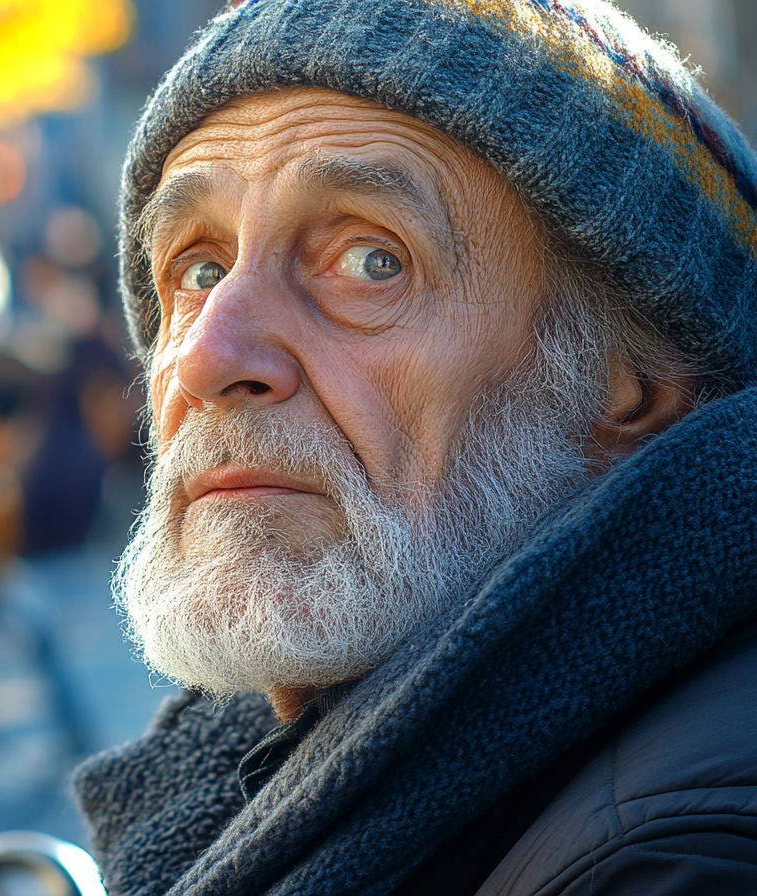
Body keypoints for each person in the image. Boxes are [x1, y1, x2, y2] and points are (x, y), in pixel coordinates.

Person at [72, 2, 757, 894]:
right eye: (198, 270)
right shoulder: (248, 773)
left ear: (628, 387)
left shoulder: (678, 854)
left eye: (371, 261)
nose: (206, 354)